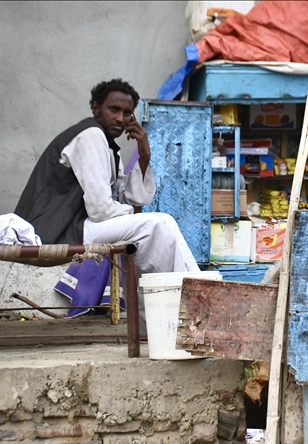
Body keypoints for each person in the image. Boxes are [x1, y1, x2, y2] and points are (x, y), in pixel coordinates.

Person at [15, 78, 200, 321]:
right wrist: (135, 219)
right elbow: (101, 209)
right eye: (114, 110)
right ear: (95, 108)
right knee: (158, 225)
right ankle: (179, 312)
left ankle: (192, 298)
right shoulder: (90, 135)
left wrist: (144, 154)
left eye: (127, 113)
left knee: (163, 225)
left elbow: (128, 198)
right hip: (54, 230)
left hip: (79, 227)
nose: (121, 119)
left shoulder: (110, 148)